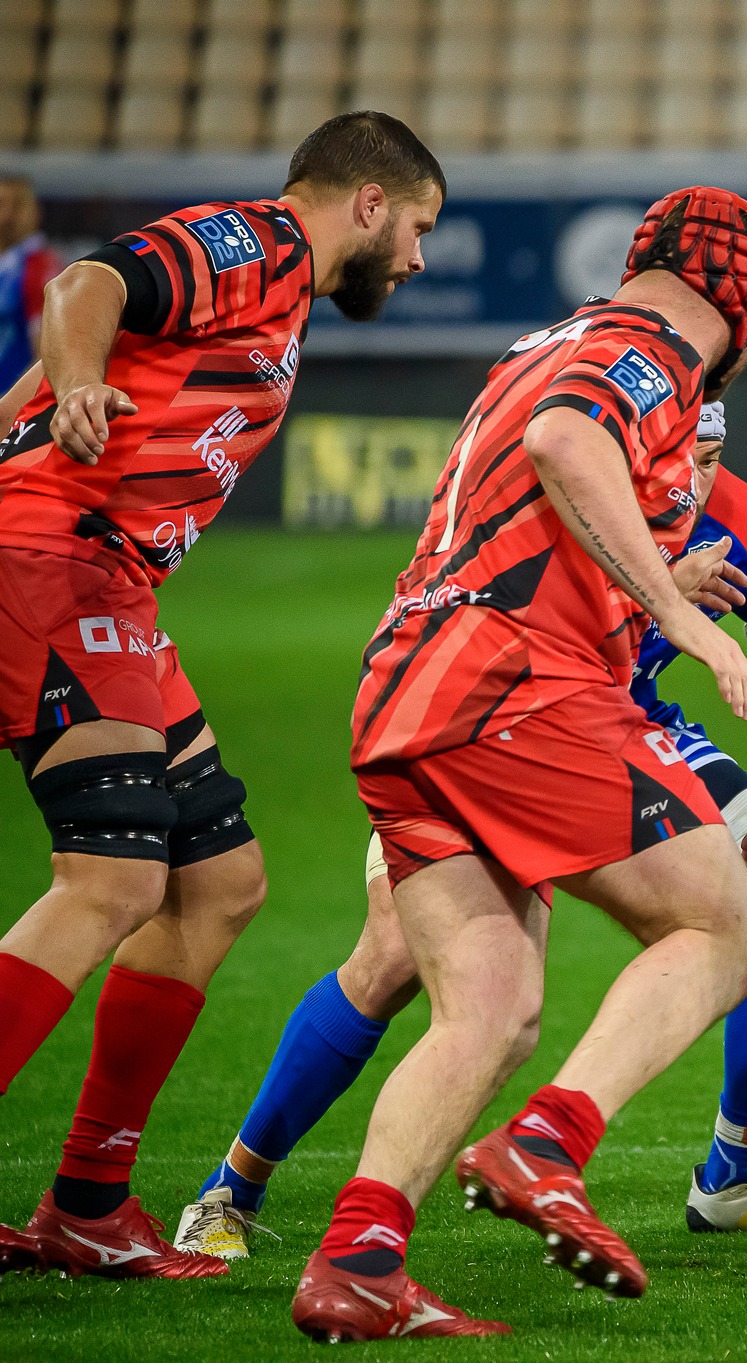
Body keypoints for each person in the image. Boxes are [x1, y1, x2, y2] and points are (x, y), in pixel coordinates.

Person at [167, 403, 747, 1257]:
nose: (699, 474)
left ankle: (733, 1178)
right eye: (686, 452)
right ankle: (230, 1188)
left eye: (713, 454)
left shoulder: (734, 517)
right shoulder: (551, 490)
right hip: (490, 721)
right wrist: (659, 595)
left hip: (630, 730)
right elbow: (486, 621)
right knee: (393, 956)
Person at [290, 186, 747, 1341]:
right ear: (745, 301)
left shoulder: (550, 337)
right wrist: (679, 610)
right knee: (726, 929)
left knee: (492, 1009)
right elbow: (568, 441)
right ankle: (548, 1143)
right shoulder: (650, 346)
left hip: (405, 687)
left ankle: (357, 1257)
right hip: (516, 681)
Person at [0, 110, 442, 1280]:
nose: (417, 258)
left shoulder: (279, 291)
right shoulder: (256, 244)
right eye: (417, 228)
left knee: (217, 884)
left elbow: (57, 366)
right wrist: (83, 386)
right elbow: (94, 282)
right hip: (56, 558)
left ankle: (90, 1201)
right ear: (367, 201)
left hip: (113, 586)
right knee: (111, 876)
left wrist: (37, 407)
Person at [0, 175, 61, 389]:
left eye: (16, 206)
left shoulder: (38, 265)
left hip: (9, 401)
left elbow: (46, 354)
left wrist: (15, 408)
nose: (7, 215)